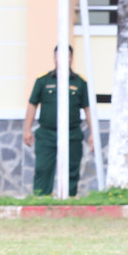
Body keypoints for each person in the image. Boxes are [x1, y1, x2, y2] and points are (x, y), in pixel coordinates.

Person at [23, 46, 92, 197]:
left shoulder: (80, 82)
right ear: (54, 58)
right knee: (43, 168)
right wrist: (27, 130)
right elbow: (32, 104)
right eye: (60, 56)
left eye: (67, 56)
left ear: (72, 59)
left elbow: (88, 109)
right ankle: (41, 199)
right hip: (47, 133)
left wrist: (93, 134)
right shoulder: (43, 80)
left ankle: (70, 198)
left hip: (72, 133)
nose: (64, 60)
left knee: (72, 168)